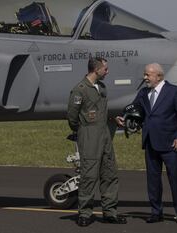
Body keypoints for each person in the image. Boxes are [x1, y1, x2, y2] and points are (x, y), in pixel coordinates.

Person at [116, 63, 177, 224]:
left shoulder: (175, 91)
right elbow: (133, 107)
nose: (145, 77)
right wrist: (123, 116)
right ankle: (156, 212)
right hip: (150, 143)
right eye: (145, 74)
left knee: (175, 179)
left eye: (148, 75)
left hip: (171, 144)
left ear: (159, 76)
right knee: (153, 181)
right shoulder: (143, 92)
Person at [68, 57, 127, 227]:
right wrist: (85, 130)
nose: (107, 72)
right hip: (90, 136)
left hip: (105, 136)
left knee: (109, 174)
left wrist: (112, 119)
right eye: (105, 69)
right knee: (89, 176)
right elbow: (72, 118)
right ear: (96, 70)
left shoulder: (102, 87)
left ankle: (110, 213)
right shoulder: (79, 90)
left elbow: (101, 110)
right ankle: (85, 213)